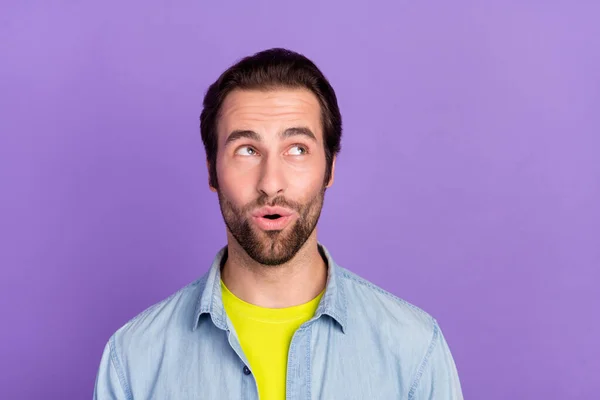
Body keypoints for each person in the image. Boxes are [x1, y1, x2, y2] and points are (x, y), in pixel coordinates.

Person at [93, 48, 463, 399]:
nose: (271, 182)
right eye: (247, 150)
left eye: (297, 149)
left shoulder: (415, 351)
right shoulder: (132, 361)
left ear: (330, 168)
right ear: (212, 171)